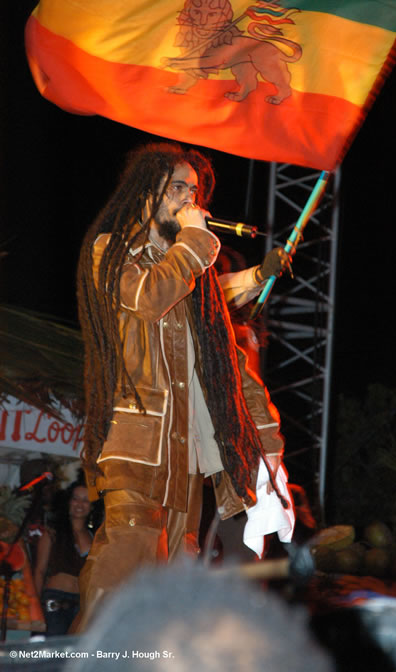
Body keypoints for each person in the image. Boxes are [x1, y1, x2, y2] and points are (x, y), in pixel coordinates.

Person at [75, 141, 292, 629]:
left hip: (184, 457)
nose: (191, 202)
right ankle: (84, 662)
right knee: (122, 564)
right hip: (137, 447)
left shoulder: (194, 280)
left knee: (173, 584)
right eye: (178, 188)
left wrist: (257, 274)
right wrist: (195, 244)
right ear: (146, 192)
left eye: (195, 191)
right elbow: (150, 297)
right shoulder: (112, 252)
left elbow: (226, 349)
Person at [33, 478, 93, 636]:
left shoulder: (95, 538)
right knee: (51, 656)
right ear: (68, 501)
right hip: (55, 603)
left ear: (92, 506)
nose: (80, 504)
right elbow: (40, 570)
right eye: (76, 498)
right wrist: (35, 607)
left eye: (86, 500)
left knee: (73, 658)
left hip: (81, 608)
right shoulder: (52, 533)